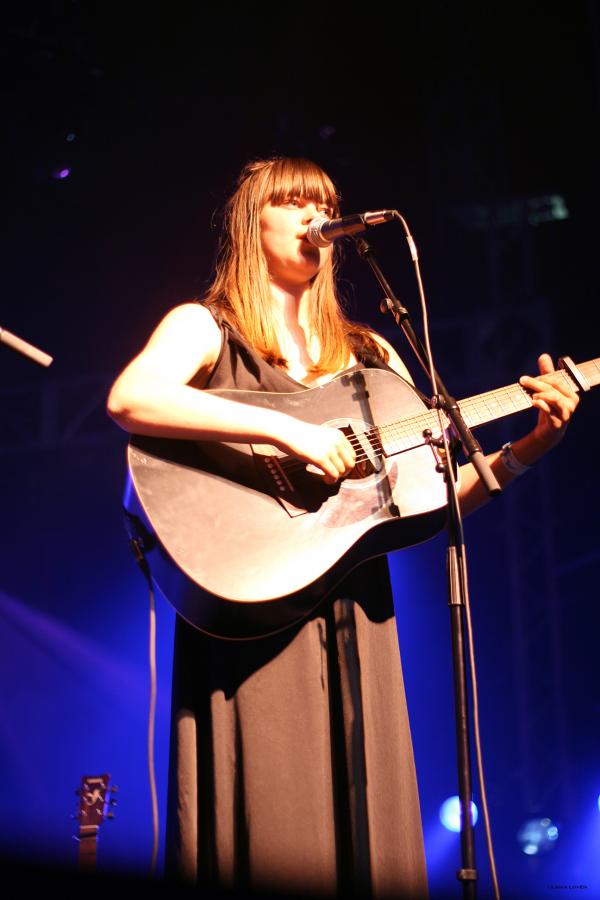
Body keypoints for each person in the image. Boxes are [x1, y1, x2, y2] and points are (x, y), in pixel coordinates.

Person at [106, 157, 579, 898]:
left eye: (322, 203)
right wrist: (290, 436)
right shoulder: (205, 327)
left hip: (357, 613)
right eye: (290, 201)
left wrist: (527, 450)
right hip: (250, 603)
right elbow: (132, 398)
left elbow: (429, 498)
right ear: (248, 222)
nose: (311, 215)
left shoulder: (373, 357)